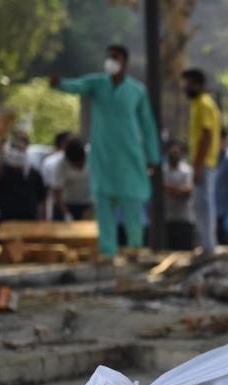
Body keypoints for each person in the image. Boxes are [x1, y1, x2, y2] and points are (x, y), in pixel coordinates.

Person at [50, 44, 160, 259]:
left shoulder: (137, 90)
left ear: (124, 61)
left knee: (132, 202)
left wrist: (152, 156)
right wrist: (59, 84)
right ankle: (107, 251)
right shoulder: (97, 84)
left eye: (115, 57)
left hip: (129, 155)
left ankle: (134, 247)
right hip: (103, 155)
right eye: (108, 56)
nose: (110, 60)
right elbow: (77, 85)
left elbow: (148, 125)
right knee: (103, 204)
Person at [182, 68, 220, 257]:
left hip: (203, 162)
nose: (185, 87)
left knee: (204, 205)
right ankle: (206, 245)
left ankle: (209, 246)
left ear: (198, 84)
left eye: (188, 83)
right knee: (200, 205)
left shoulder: (204, 103)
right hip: (201, 162)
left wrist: (198, 165)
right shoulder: (197, 104)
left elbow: (206, 135)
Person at [0, 133, 47, 222]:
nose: (18, 153)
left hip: (29, 218)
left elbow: (42, 198)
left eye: (22, 148)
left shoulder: (34, 173)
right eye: (16, 148)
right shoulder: (2, 172)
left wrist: (43, 219)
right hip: (7, 218)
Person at [161, 140, 195, 251]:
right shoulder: (163, 171)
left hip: (185, 220)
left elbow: (187, 191)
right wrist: (177, 190)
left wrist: (171, 189)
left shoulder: (187, 170)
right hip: (168, 220)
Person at [53, 138, 92, 220]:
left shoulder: (92, 155)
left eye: (81, 162)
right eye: (76, 164)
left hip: (89, 204)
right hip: (67, 204)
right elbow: (57, 192)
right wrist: (66, 214)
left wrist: (93, 207)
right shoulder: (61, 164)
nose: (79, 166)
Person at [41, 131, 71, 220]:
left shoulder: (48, 161)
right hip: (63, 203)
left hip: (54, 204)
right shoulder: (51, 161)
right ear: (63, 143)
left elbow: (45, 188)